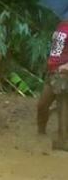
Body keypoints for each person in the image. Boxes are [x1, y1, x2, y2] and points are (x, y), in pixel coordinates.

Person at [37, 17, 68, 148]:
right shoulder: (61, 25)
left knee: (63, 108)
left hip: (63, 73)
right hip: (52, 71)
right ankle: (41, 129)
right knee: (42, 104)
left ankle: (63, 141)